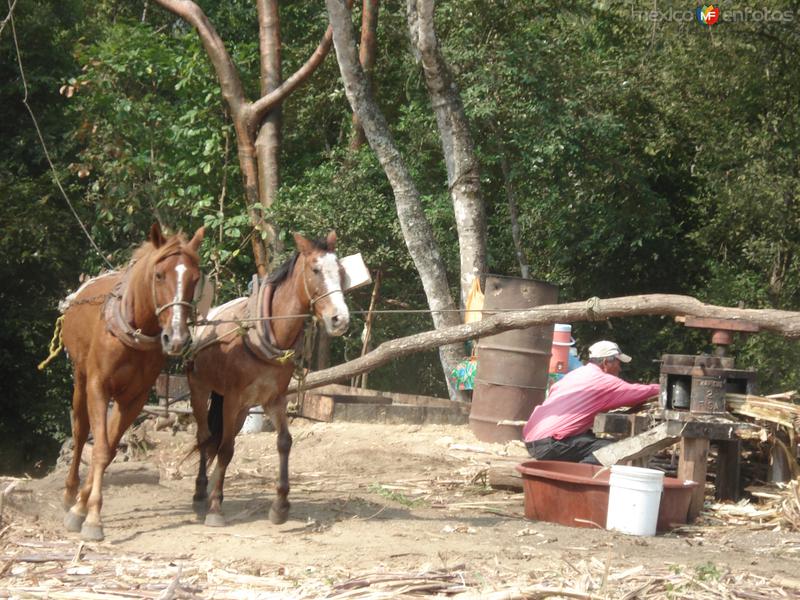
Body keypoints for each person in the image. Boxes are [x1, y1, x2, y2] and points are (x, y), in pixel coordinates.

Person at [522, 340, 660, 465]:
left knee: (590, 440)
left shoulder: (575, 374)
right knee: (614, 450)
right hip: (550, 444)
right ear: (606, 362)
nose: (620, 368)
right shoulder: (604, 381)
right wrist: (665, 388)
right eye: (618, 363)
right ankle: (578, 480)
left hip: (532, 440)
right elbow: (640, 392)